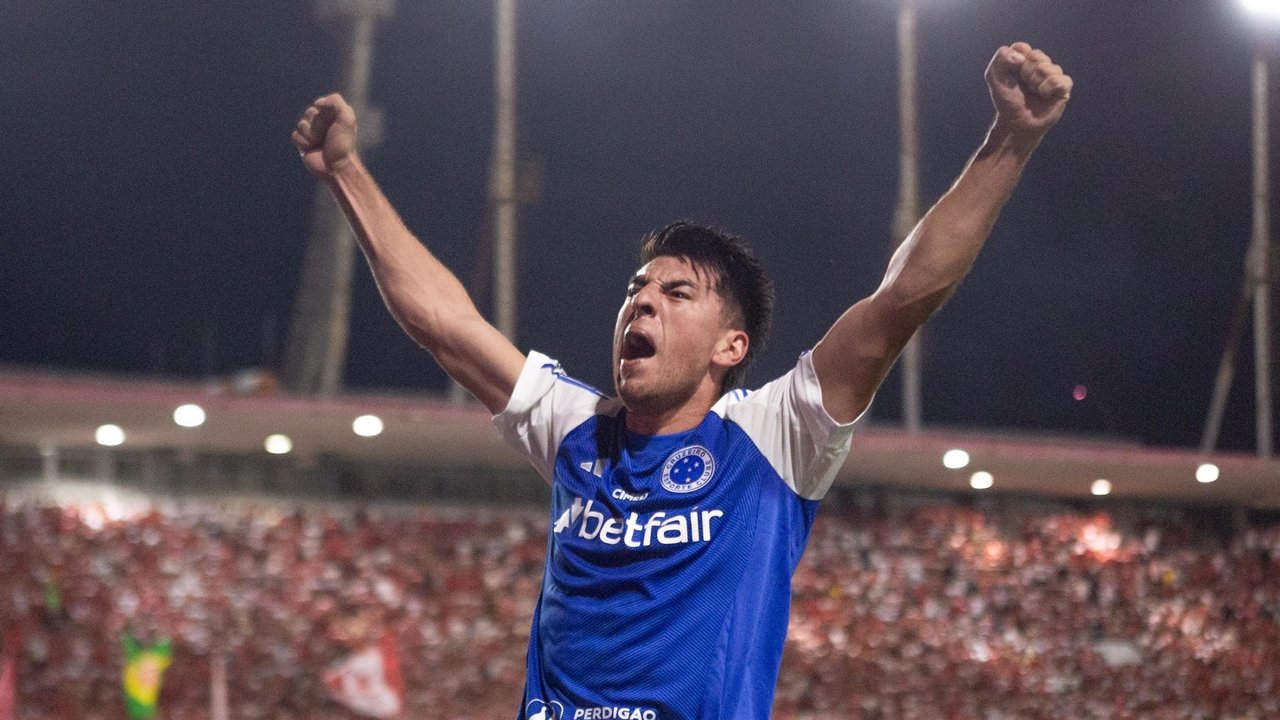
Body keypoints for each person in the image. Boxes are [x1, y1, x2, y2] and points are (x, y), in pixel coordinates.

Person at [292, 41, 1071, 720]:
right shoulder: (577, 430)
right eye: (637, 287)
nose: (642, 301)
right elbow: (446, 325)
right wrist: (347, 173)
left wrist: (1010, 140)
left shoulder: (776, 437)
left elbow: (901, 299)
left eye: (676, 293)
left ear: (731, 346)